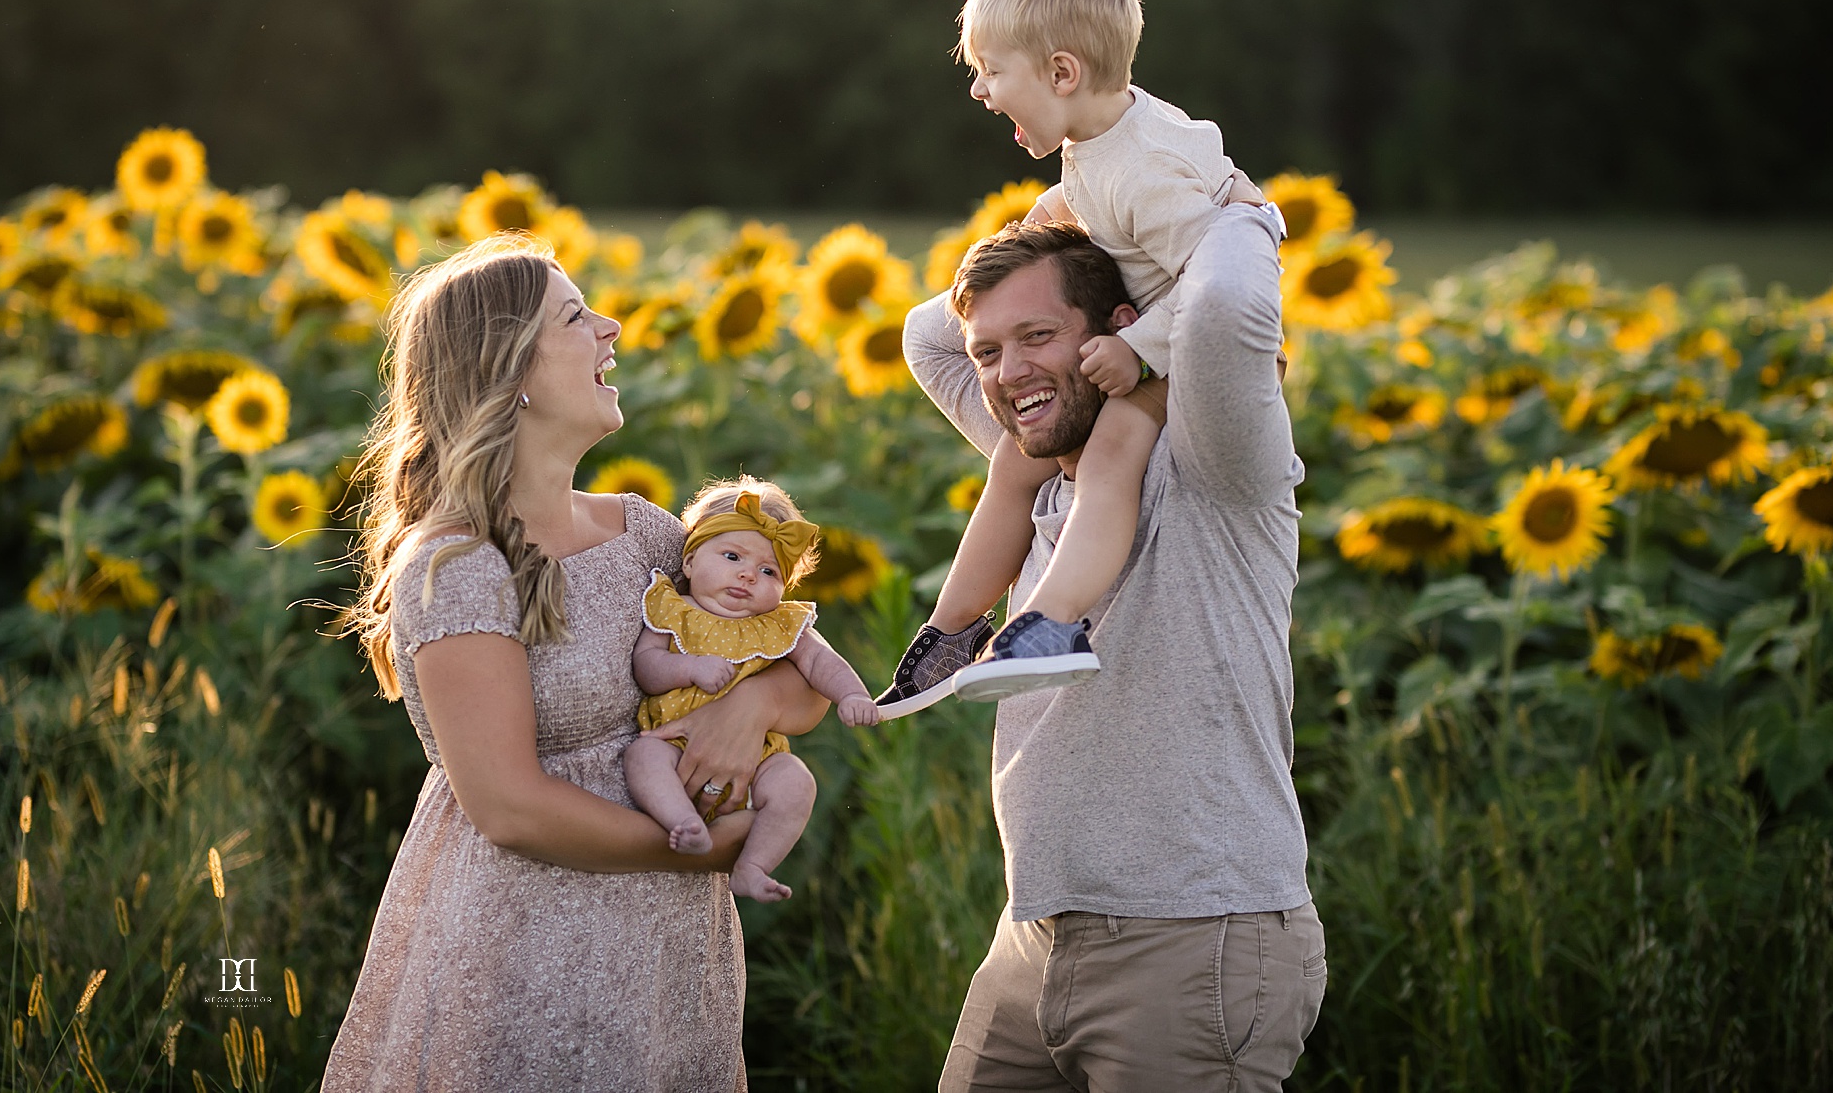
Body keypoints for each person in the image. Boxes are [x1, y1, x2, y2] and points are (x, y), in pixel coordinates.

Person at [322, 235, 828, 1092]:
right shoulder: (456, 565)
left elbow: (794, 665)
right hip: (529, 940)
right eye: (575, 315)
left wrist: (755, 705)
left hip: (667, 948)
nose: (611, 325)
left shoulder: (643, 533)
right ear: (509, 370)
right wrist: (702, 851)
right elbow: (510, 807)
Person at [903, 218, 1325, 1090]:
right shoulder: (1045, 464)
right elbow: (925, 332)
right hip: (1031, 938)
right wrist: (1075, 205)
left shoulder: (1215, 461)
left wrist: (1159, 204)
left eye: (1038, 337)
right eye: (989, 352)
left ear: (1119, 328)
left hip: (1192, 939)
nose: (1008, 371)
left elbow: (1227, 306)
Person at [878, 0, 1278, 713]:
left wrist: (1135, 348)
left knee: (1109, 459)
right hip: (1136, 338)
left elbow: (1210, 288)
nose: (980, 90)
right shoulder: (1105, 141)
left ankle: (1054, 625)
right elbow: (1095, 200)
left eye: (993, 71)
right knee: (1014, 466)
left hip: (1171, 359)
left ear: (1063, 72)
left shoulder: (1144, 169)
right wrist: (1043, 221)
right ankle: (954, 630)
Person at [627, 478, 881, 901]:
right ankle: (681, 822)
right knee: (642, 755)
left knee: (796, 782)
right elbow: (646, 668)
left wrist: (852, 695)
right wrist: (688, 667)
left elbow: (822, 662)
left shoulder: (781, 623)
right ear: (689, 561)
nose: (748, 575)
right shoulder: (673, 608)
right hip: (672, 741)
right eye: (731, 556)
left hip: (756, 758)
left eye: (768, 571)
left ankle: (752, 865)